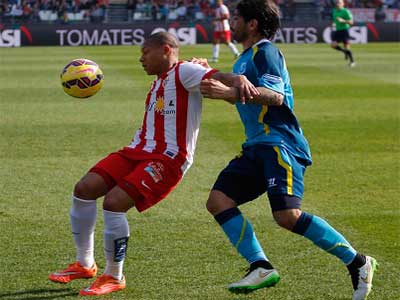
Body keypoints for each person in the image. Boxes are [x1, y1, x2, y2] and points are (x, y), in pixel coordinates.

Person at [48, 31, 258, 297]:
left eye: (146, 52)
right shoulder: (161, 80)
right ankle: (85, 263)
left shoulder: (185, 71)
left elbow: (220, 79)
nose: (141, 58)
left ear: (167, 50)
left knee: (114, 203)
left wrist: (237, 78)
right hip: (137, 150)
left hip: (167, 158)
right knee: (85, 188)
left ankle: (114, 275)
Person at [198, 0, 377, 299]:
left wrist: (228, 92)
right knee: (218, 201)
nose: (233, 22)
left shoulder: (265, 51)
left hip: (280, 143)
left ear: (252, 23)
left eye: (238, 17)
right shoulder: (245, 57)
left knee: (287, 216)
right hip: (256, 146)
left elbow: (276, 96)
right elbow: (245, 92)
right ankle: (260, 266)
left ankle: (358, 262)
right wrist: (212, 73)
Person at [330, 0, 356, 67]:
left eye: (339, 2)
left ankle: (352, 62)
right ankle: (344, 52)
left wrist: (343, 20)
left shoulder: (346, 11)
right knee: (333, 45)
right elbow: (334, 20)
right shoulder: (334, 11)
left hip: (344, 30)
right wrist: (333, 24)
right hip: (338, 31)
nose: (337, 4)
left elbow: (351, 22)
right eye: (337, 2)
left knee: (347, 47)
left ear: (343, 4)